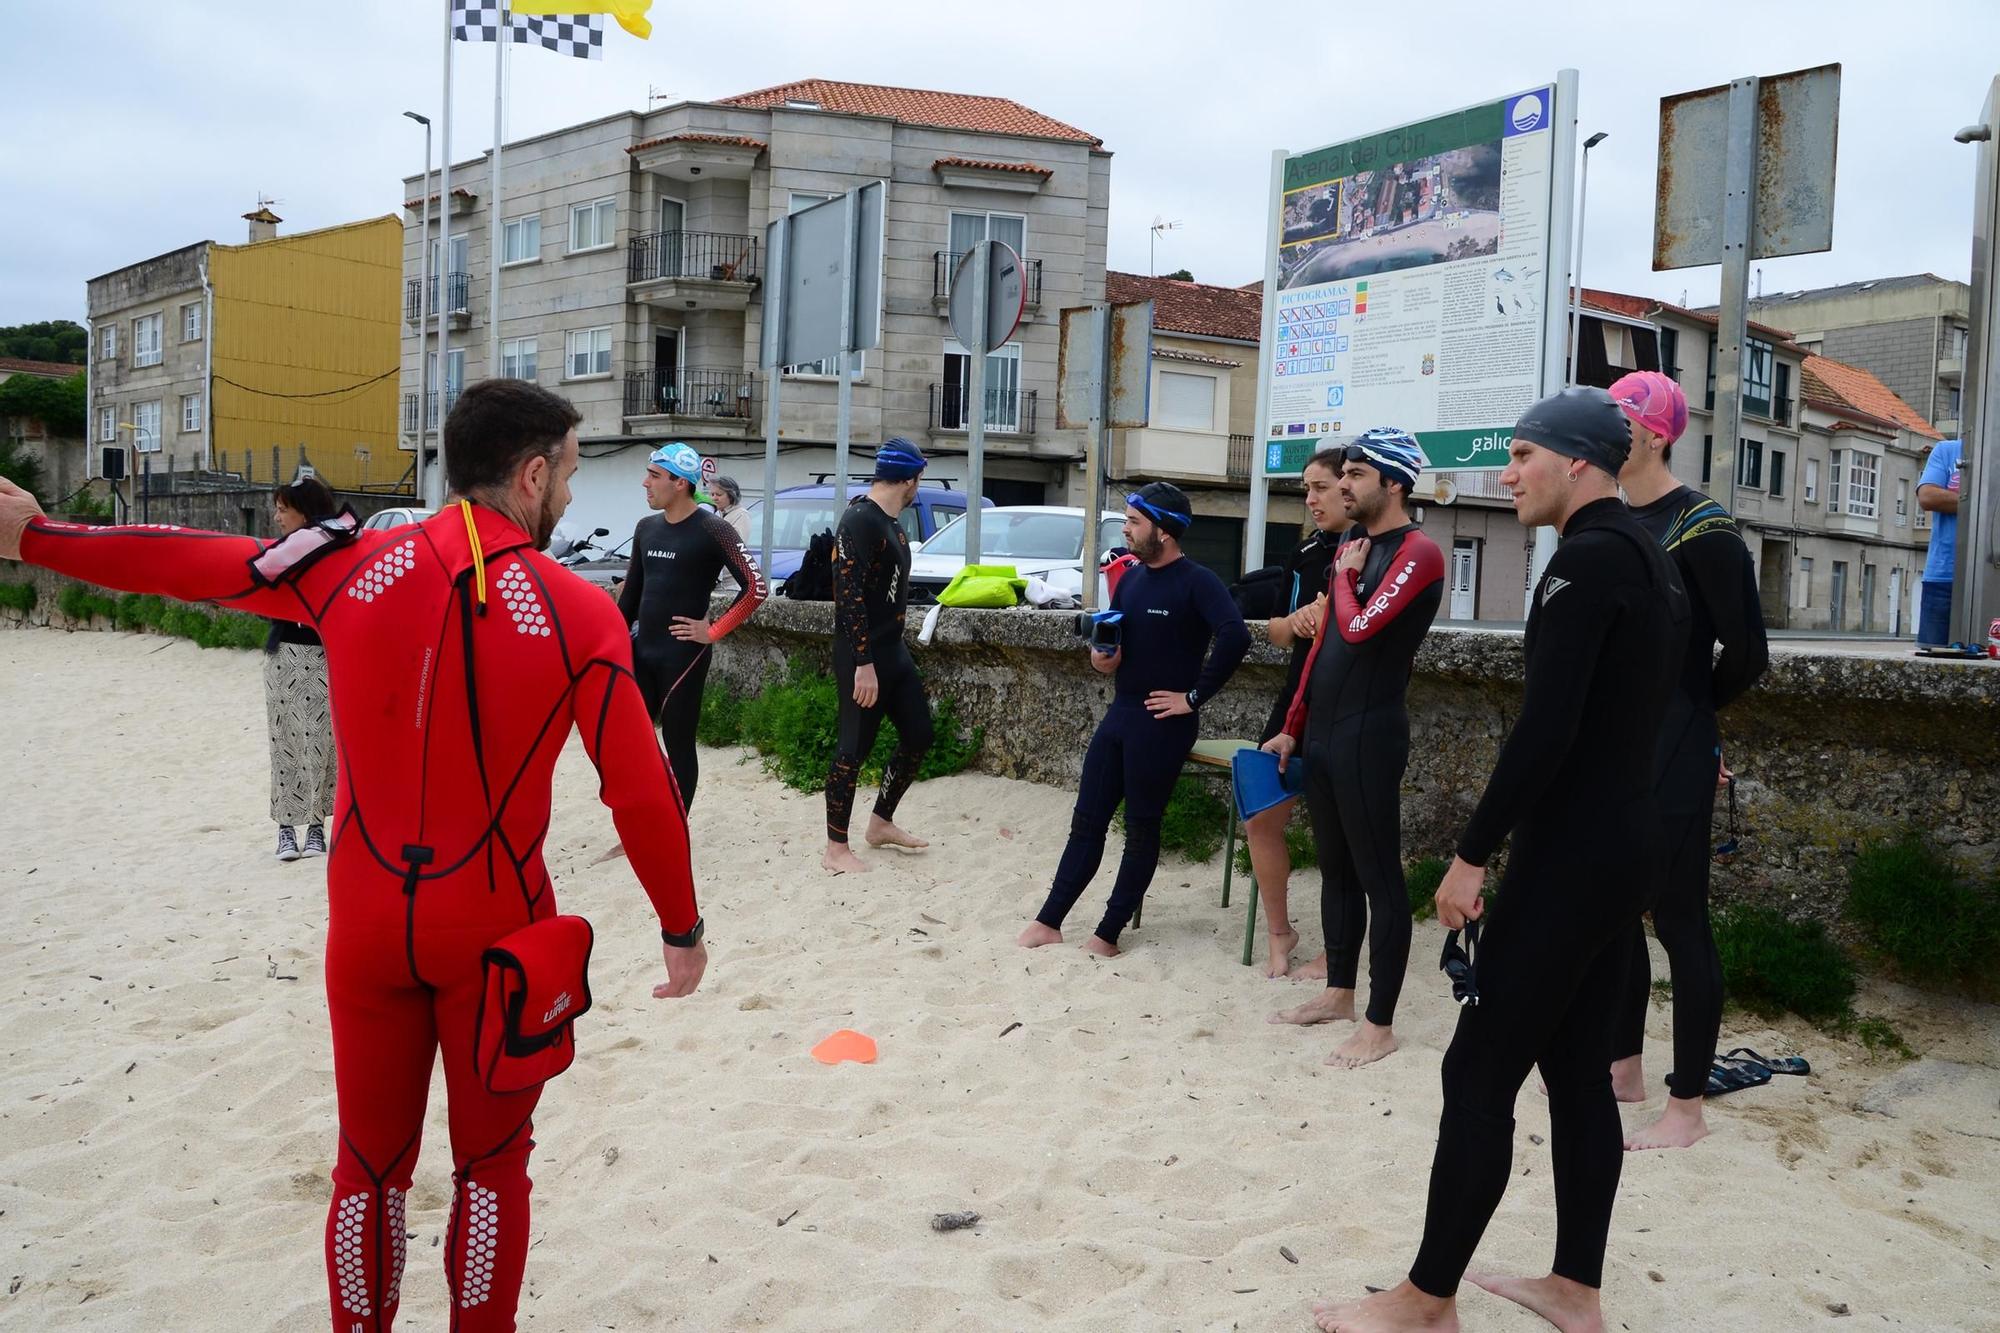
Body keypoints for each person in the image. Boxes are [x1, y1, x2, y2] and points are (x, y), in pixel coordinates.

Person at [0, 377, 708, 1332]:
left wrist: (37, 537)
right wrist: (680, 925)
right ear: (533, 474)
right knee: (492, 1169)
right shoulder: (576, 611)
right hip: (494, 927)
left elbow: (196, 562)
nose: (574, 497)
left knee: (367, 1171)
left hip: (368, 926)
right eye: (572, 475)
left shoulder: (349, 564)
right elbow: (639, 789)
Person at [1311, 388, 1687, 1333]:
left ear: (1579, 463)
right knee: (1572, 1067)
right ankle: (1575, 1284)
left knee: (1475, 1070)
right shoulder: (1648, 554)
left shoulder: (1583, 566)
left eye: (1523, 455)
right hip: (1625, 845)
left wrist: (1472, 854)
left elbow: (1546, 730)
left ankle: (1425, 1298)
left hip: (1571, 859)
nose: (1507, 473)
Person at [1608, 370, 1769, 1150]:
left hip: (1674, 742)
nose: (1609, 429)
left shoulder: (1705, 528)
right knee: (1613, 912)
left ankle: (1687, 1105)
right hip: (1617, 745)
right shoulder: (1607, 518)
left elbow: (1748, 653)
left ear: (1656, 435)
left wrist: (1693, 715)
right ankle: (1625, 1063)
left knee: (1678, 919)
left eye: (1622, 418)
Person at [1263, 430, 1444, 1069]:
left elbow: (1362, 628)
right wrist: (1293, 722)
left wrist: (1342, 579)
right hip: (1326, 732)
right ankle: (1340, 993)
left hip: (1371, 734)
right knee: (1335, 871)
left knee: (1379, 880)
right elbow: (1322, 647)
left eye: (1357, 474)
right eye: (1343, 473)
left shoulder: (1420, 552)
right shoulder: (1352, 543)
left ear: (1392, 483)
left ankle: (1380, 1023)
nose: (1342, 485)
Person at [1017, 482, 1251, 956]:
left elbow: (1236, 636)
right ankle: (1050, 920)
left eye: (1134, 522)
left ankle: (1107, 933)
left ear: (1163, 531)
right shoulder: (1131, 577)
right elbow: (1117, 641)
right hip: (1122, 713)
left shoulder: (1197, 581)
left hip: (1163, 724)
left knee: (1141, 828)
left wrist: (1193, 697)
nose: (1125, 528)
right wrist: (1105, 658)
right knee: (1087, 821)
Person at [618, 443, 767, 809]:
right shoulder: (646, 528)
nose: (645, 484)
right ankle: (648, 817)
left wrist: (713, 630)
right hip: (642, 651)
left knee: (678, 742)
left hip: (683, 657)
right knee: (629, 740)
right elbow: (631, 596)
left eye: (654, 476)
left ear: (680, 482)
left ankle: (674, 827)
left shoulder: (713, 529)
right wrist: (613, 644)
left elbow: (756, 587)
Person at [823, 440, 935, 873]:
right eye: (918, 479)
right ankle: (835, 849)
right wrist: (863, 665)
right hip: (861, 655)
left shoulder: (894, 524)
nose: (917, 487)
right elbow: (847, 598)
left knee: (919, 734)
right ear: (909, 479)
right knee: (853, 748)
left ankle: (881, 821)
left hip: (893, 650)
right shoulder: (859, 520)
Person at [1248, 507, 1337, 978]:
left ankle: (1338, 949)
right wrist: (1299, 618)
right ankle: (1280, 931)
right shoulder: (1305, 551)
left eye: (1323, 486)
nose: (1314, 498)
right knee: (1262, 818)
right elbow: (1274, 631)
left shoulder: (1379, 551)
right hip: (1292, 703)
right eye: (1307, 489)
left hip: (1344, 706)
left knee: (1338, 836)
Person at [264, 476, 341, 862]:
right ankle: (284, 829)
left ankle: (315, 827)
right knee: (285, 740)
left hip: (326, 657)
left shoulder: (335, 551)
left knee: (323, 744)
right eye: (276, 509)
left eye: (284, 509)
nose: (277, 517)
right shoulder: (276, 554)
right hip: (284, 657)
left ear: (306, 512)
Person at [1916, 437, 1964, 647]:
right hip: (1943, 577)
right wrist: (1985, 500)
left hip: (1992, 576)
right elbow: (1928, 497)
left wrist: (1958, 500)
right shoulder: (1948, 450)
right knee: (1935, 661)